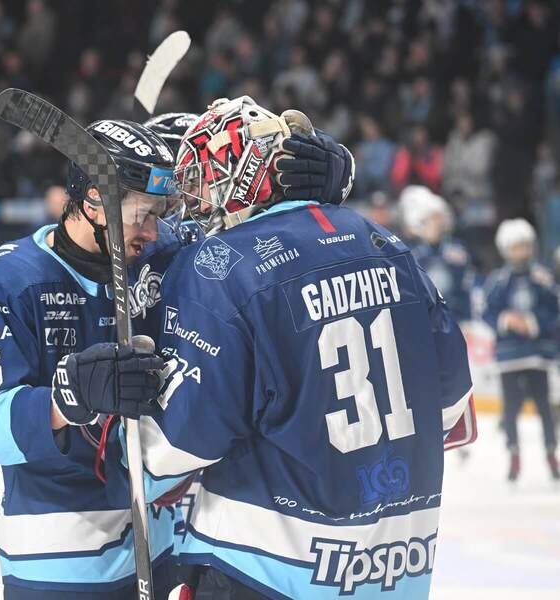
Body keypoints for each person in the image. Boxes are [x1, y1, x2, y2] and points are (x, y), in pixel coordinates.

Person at [0, 107, 355, 598]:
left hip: (169, 540)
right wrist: (67, 396)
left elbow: (240, 212)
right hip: (61, 558)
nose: (154, 230)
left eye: (159, 213)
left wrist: (325, 174)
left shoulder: (163, 249)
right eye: (140, 215)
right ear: (91, 200)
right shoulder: (8, 279)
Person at [121, 96, 476, 598]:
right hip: (395, 568)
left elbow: (172, 447)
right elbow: (451, 403)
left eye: (204, 179)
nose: (196, 202)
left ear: (243, 173)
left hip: (263, 565)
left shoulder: (220, 263)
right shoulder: (384, 242)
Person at [483, 219, 559, 482]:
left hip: (537, 355)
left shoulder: (542, 278)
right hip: (509, 357)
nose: (521, 252)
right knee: (511, 410)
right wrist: (507, 319)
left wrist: (534, 322)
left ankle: (551, 453)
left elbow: (555, 309)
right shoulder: (498, 281)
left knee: (544, 409)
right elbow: (487, 312)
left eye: (525, 246)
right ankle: (513, 455)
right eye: (516, 247)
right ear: (506, 249)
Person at [400, 185, 476, 322]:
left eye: (438, 217)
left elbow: (466, 289)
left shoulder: (458, 251)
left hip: (455, 318)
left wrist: (467, 320)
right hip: (425, 320)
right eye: (431, 218)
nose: (436, 223)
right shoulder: (411, 254)